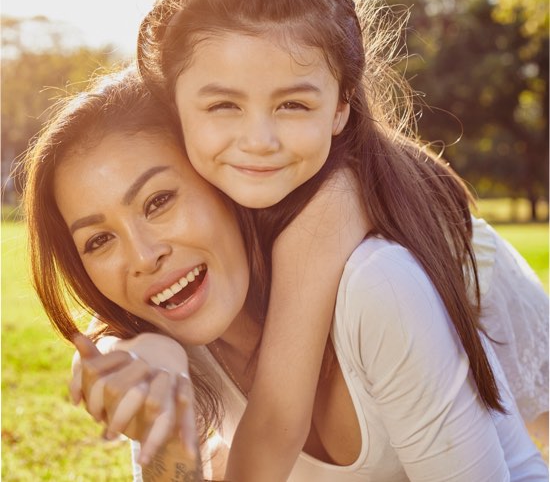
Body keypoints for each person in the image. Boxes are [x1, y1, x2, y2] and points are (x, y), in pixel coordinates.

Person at [134, 0, 548, 479]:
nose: (259, 140)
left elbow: (279, 419)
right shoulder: (215, 199)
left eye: (293, 104)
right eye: (224, 105)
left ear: (340, 109)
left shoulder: (331, 210)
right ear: (175, 107)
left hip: (502, 338)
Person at [22, 67, 548, 481]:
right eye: (98, 240)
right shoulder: (158, 351)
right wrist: (168, 440)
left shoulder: (368, 276)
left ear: (219, 175)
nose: (143, 256)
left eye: (159, 200)